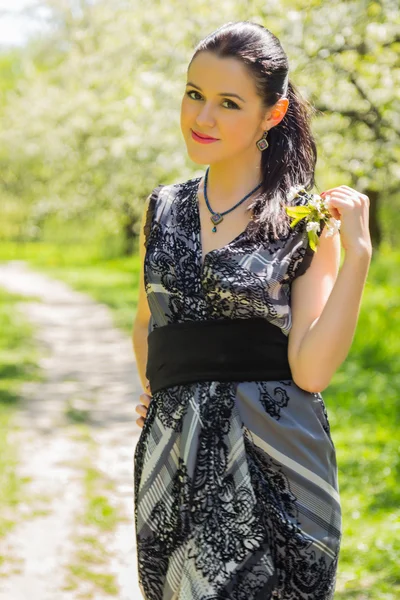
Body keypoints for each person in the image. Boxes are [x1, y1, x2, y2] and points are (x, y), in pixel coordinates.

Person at [132, 20, 372, 600]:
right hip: (171, 458)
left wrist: (358, 253)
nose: (202, 118)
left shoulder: (305, 219)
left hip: (275, 458)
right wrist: (159, 388)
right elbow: (148, 322)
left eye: (228, 103)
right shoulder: (162, 208)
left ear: (272, 113)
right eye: (194, 94)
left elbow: (311, 370)